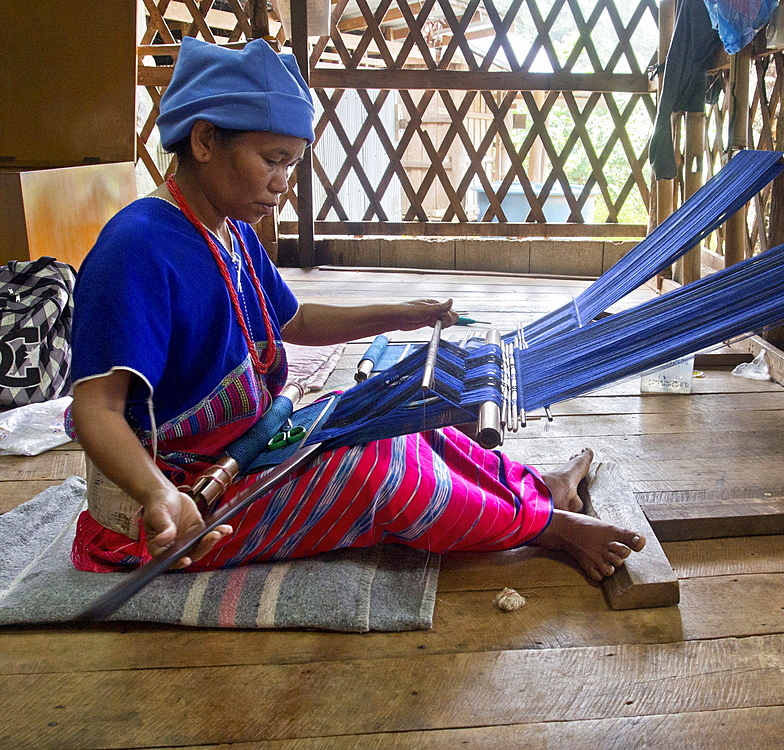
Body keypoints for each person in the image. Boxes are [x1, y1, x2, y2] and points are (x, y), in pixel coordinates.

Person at [68, 37, 644, 584]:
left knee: (396, 415)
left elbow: (293, 322)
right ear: (203, 141)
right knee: (377, 475)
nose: (284, 184)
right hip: (175, 512)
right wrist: (157, 497)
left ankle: (532, 486)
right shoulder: (137, 248)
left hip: (247, 448)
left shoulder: (229, 231)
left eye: (292, 164)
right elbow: (96, 410)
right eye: (274, 159)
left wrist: (402, 314)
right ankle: (545, 526)